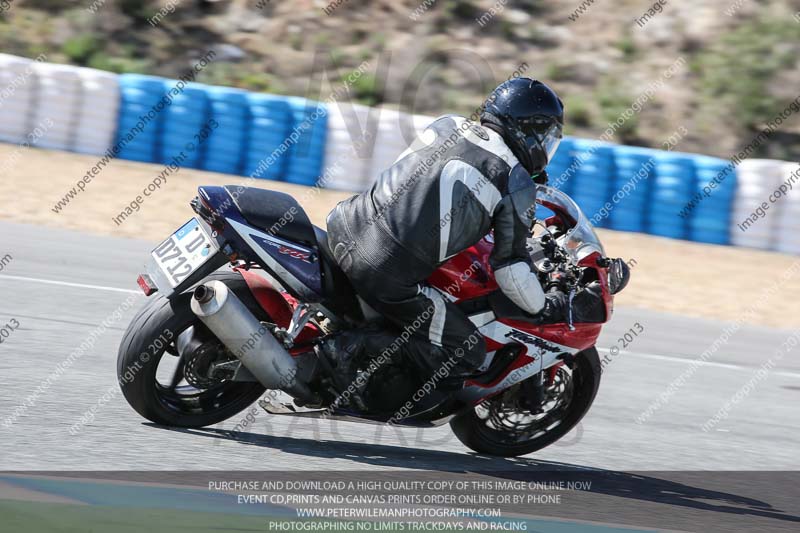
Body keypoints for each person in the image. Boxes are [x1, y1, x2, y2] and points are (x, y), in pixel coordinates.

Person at [323, 78, 568, 411]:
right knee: (466, 350)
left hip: (343, 222)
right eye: (547, 138)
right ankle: (350, 351)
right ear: (529, 131)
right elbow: (510, 269)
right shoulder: (515, 181)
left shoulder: (449, 124)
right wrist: (544, 307)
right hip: (383, 271)